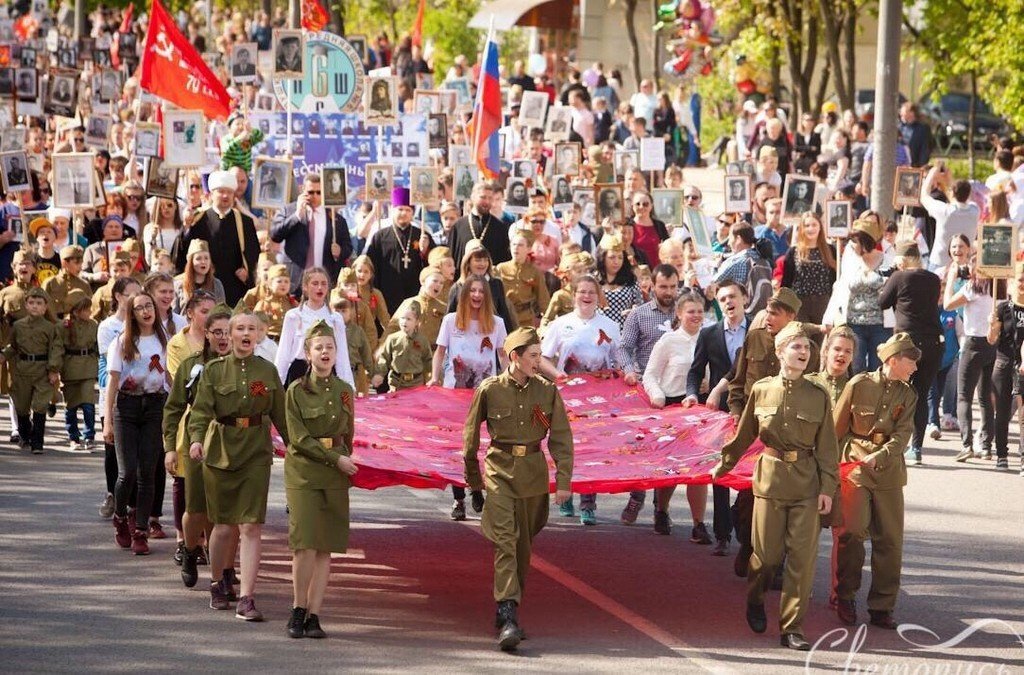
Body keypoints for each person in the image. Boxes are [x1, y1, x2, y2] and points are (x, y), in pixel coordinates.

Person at [713, 322, 837, 652]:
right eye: (796, 347)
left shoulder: (818, 395)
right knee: (766, 557)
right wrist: (724, 464)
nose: (803, 352)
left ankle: (792, 627)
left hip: (807, 484)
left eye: (807, 348)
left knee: (801, 560)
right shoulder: (763, 389)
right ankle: (755, 599)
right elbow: (745, 435)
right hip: (769, 480)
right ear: (780, 352)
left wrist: (828, 488)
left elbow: (827, 447)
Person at [463, 326, 574, 652]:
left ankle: (510, 608)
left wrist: (563, 481)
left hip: (533, 476)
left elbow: (561, 439)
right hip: (499, 472)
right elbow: (469, 442)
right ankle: (507, 611)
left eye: (540, 356)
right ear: (515, 357)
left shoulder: (548, 392)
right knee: (506, 542)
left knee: (523, 545)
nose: (539, 362)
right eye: (534, 356)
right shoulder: (489, 390)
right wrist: (475, 483)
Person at [188, 310, 290, 620]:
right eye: (240, 328)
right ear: (229, 335)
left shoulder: (267, 372)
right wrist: (195, 439)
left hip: (256, 453)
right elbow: (201, 411)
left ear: (259, 335)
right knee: (223, 526)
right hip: (220, 452)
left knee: (250, 525)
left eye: (252, 329)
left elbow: (280, 412)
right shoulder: (214, 372)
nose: (246, 334)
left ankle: (247, 597)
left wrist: (294, 444)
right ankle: (218, 583)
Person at [831, 333, 919, 630]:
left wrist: (880, 455)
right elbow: (836, 429)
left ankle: (882, 606)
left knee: (890, 541)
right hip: (856, 466)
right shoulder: (859, 384)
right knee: (852, 532)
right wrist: (829, 469)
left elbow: (903, 435)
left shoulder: (908, 394)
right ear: (893, 360)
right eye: (911, 361)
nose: (915, 367)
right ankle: (845, 595)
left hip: (889, 471)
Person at [284, 320, 358, 639]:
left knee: (325, 547)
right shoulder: (296, 391)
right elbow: (298, 437)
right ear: (307, 353)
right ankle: (298, 608)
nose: (325, 352)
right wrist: (336, 459)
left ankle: (315, 614)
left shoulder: (344, 391)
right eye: (319, 347)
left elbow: (348, 434)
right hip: (304, 471)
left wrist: (345, 463)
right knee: (305, 545)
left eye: (329, 346)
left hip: (335, 474)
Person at [162, 303, 234, 588]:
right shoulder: (192, 366)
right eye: (217, 332)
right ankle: (191, 550)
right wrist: (170, 447)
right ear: (206, 334)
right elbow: (174, 408)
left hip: (232, 443)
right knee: (196, 510)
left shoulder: (244, 366)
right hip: (197, 441)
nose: (223, 338)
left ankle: (225, 571)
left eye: (229, 331)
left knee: (227, 515)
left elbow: (263, 400)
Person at [431, 275, 507, 519]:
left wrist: (508, 381)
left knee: (484, 446)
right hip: (455, 395)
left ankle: (478, 487)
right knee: (460, 448)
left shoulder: (496, 323)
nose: (476, 295)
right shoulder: (451, 321)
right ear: (464, 295)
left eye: (480, 291)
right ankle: (459, 498)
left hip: (486, 394)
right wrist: (434, 378)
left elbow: (504, 356)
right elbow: (440, 352)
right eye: (472, 291)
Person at [683, 280, 750, 553]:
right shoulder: (709, 334)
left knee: (750, 471)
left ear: (745, 298)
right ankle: (722, 534)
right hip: (719, 410)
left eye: (733, 296)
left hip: (752, 409)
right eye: (722, 299)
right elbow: (695, 371)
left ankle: (743, 520)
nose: (728, 302)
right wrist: (691, 394)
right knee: (720, 472)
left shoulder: (759, 329)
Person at [643, 290, 714, 542]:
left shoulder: (711, 337)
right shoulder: (668, 341)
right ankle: (661, 510)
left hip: (701, 408)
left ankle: (699, 523)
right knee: (671, 466)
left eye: (699, 311)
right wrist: (657, 395)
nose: (696, 316)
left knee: (699, 466)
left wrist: (710, 384)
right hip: (672, 406)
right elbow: (650, 374)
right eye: (690, 311)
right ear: (679, 314)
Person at [103, 291, 168, 555]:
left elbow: (169, 377)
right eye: (139, 308)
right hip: (127, 408)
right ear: (132, 313)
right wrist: (108, 420)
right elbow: (112, 383)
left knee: (147, 473)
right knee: (127, 472)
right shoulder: (121, 342)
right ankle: (120, 516)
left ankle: (140, 530)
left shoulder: (165, 341)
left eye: (149, 306)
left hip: (155, 406)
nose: (146, 311)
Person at [618, 264, 678, 523]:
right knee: (643, 448)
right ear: (651, 286)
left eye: (673, 286)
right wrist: (629, 371)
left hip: (676, 391)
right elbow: (623, 348)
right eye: (663, 286)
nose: (668, 292)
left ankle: (661, 508)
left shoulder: (685, 313)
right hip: (645, 391)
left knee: (671, 452)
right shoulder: (638, 315)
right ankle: (637, 493)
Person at [878, 242, 942, 465]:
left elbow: (882, 302)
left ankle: (895, 443)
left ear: (902, 260)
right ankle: (916, 447)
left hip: (908, 342)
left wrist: (893, 276)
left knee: (899, 391)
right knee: (921, 394)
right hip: (933, 342)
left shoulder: (900, 277)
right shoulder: (933, 279)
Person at [943, 240, 994, 463]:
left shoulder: (973, 287)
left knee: (964, 396)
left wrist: (953, 278)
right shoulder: (999, 287)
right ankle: (987, 445)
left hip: (973, 343)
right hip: (993, 343)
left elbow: (947, 305)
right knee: (984, 398)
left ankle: (967, 444)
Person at [177, 170, 260, 307]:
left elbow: (254, 253)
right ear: (211, 194)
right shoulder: (198, 219)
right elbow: (184, 251)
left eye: (229, 192)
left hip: (235, 287)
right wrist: (186, 226)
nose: (225, 196)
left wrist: (247, 272)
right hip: (204, 287)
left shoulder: (244, 222)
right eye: (221, 191)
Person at [823, 218, 891, 373]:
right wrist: (828, 318)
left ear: (865, 242)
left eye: (855, 241)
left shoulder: (886, 259)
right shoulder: (851, 260)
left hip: (880, 324)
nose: (851, 245)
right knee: (856, 367)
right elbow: (839, 288)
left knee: (878, 368)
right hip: (854, 324)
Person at [0, 286, 60, 454]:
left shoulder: (50, 327)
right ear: (26, 305)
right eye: (31, 302)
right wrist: (4, 355)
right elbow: (13, 346)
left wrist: (53, 369)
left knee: (40, 406)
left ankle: (37, 443)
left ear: (45, 307)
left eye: (39, 303)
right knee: (21, 406)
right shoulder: (18, 326)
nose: (35, 306)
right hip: (22, 371)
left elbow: (55, 349)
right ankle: (26, 435)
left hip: (42, 370)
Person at [270, 175, 354, 290]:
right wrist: (297, 216)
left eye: (319, 192)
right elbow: (275, 235)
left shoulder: (335, 218)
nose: (315, 196)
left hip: (325, 281)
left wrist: (340, 251)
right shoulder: (289, 211)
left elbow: (348, 246)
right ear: (303, 190)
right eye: (311, 192)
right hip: (296, 280)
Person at [275, 267, 354, 388]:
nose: (320, 288)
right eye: (315, 283)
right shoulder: (294, 316)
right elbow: (283, 353)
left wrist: (348, 386)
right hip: (299, 373)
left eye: (323, 284)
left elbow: (342, 355)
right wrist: (277, 384)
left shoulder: (335, 318)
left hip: (327, 373)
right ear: (305, 287)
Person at [364, 187, 432, 313]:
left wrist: (425, 251)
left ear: (412, 213)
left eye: (408, 210)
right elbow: (370, 266)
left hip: (415, 293)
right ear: (392, 210)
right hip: (387, 294)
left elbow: (432, 266)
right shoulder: (380, 236)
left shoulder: (422, 235)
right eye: (400, 209)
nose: (403, 213)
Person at [779, 213, 836, 324]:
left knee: (819, 339)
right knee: (802, 338)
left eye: (814, 225)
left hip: (823, 302)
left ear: (820, 227)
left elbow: (835, 278)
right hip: (799, 303)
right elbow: (786, 281)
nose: (811, 228)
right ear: (802, 229)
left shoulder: (830, 250)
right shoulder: (793, 251)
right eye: (807, 225)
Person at [61, 290, 99, 452]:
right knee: (70, 406)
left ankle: (89, 436)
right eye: (86, 309)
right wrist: (54, 368)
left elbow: (98, 346)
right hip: (70, 368)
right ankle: (73, 437)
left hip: (88, 367)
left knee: (88, 404)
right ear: (76, 311)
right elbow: (58, 348)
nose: (90, 312)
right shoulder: (64, 326)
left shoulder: (93, 325)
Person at [920, 165, 979, 270]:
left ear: (952, 193)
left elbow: (923, 196)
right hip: (965, 264)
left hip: (939, 264)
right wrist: (950, 181)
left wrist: (931, 174)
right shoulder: (975, 211)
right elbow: (962, 199)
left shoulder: (944, 211)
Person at [494, 232, 549, 328]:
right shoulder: (501, 269)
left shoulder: (534, 272)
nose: (516, 248)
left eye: (520, 245)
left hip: (526, 320)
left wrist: (547, 321)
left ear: (528, 249)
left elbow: (543, 299)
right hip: (505, 318)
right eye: (514, 244)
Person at [172, 240, 226, 315]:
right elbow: (174, 313)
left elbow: (222, 312)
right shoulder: (178, 284)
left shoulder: (216, 284)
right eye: (198, 258)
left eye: (206, 258)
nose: (203, 262)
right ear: (191, 262)